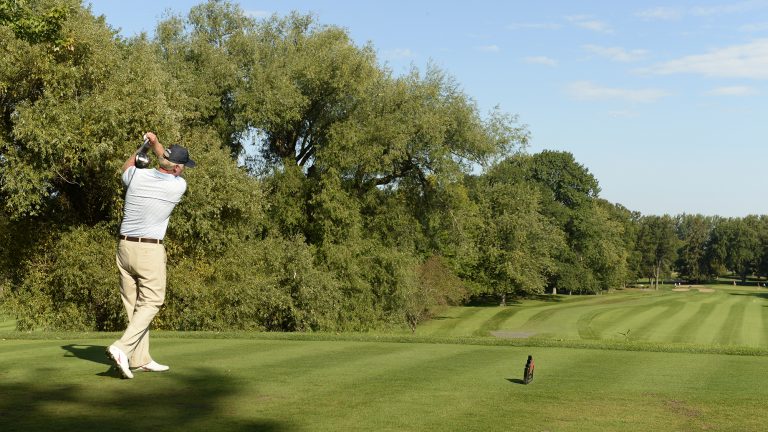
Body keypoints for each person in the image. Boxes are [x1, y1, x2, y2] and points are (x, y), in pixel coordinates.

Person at [106, 132, 196, 379]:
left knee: (134, 305)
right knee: (153, 301)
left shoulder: (136, 175)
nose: (184, 171)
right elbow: (169, 164)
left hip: (124, 248)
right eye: (183, 167)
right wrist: (155, 146)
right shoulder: (178, 186)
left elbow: (127, 166)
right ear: (177, 168)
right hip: (149, 250)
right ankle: (121, 348)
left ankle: (139, 358)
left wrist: (146, 146)